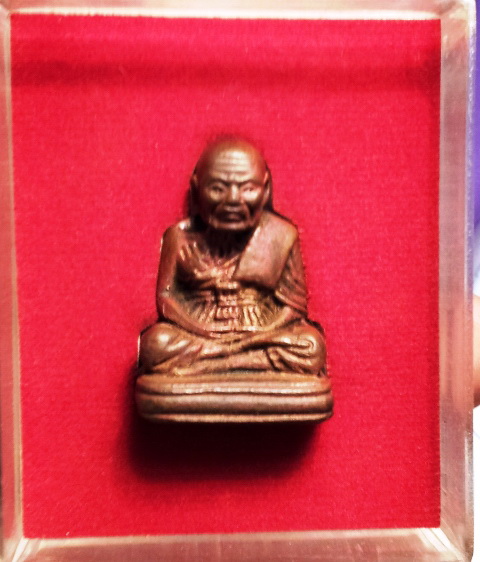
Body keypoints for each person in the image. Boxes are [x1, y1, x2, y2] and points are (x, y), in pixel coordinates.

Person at [139, 138, 326, 378]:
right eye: (218, 189)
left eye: (248, 189)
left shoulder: (280, 235)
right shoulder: (179, 237)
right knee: (156, 344)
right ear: (196, 188)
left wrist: (256, 336)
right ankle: (244, 362)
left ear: (265, 190)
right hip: (200, 331)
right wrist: (203, 330)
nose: (233, 200)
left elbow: (293, 308)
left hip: (259, 332)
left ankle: (214, 364)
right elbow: (166, 298)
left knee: (310, 345)